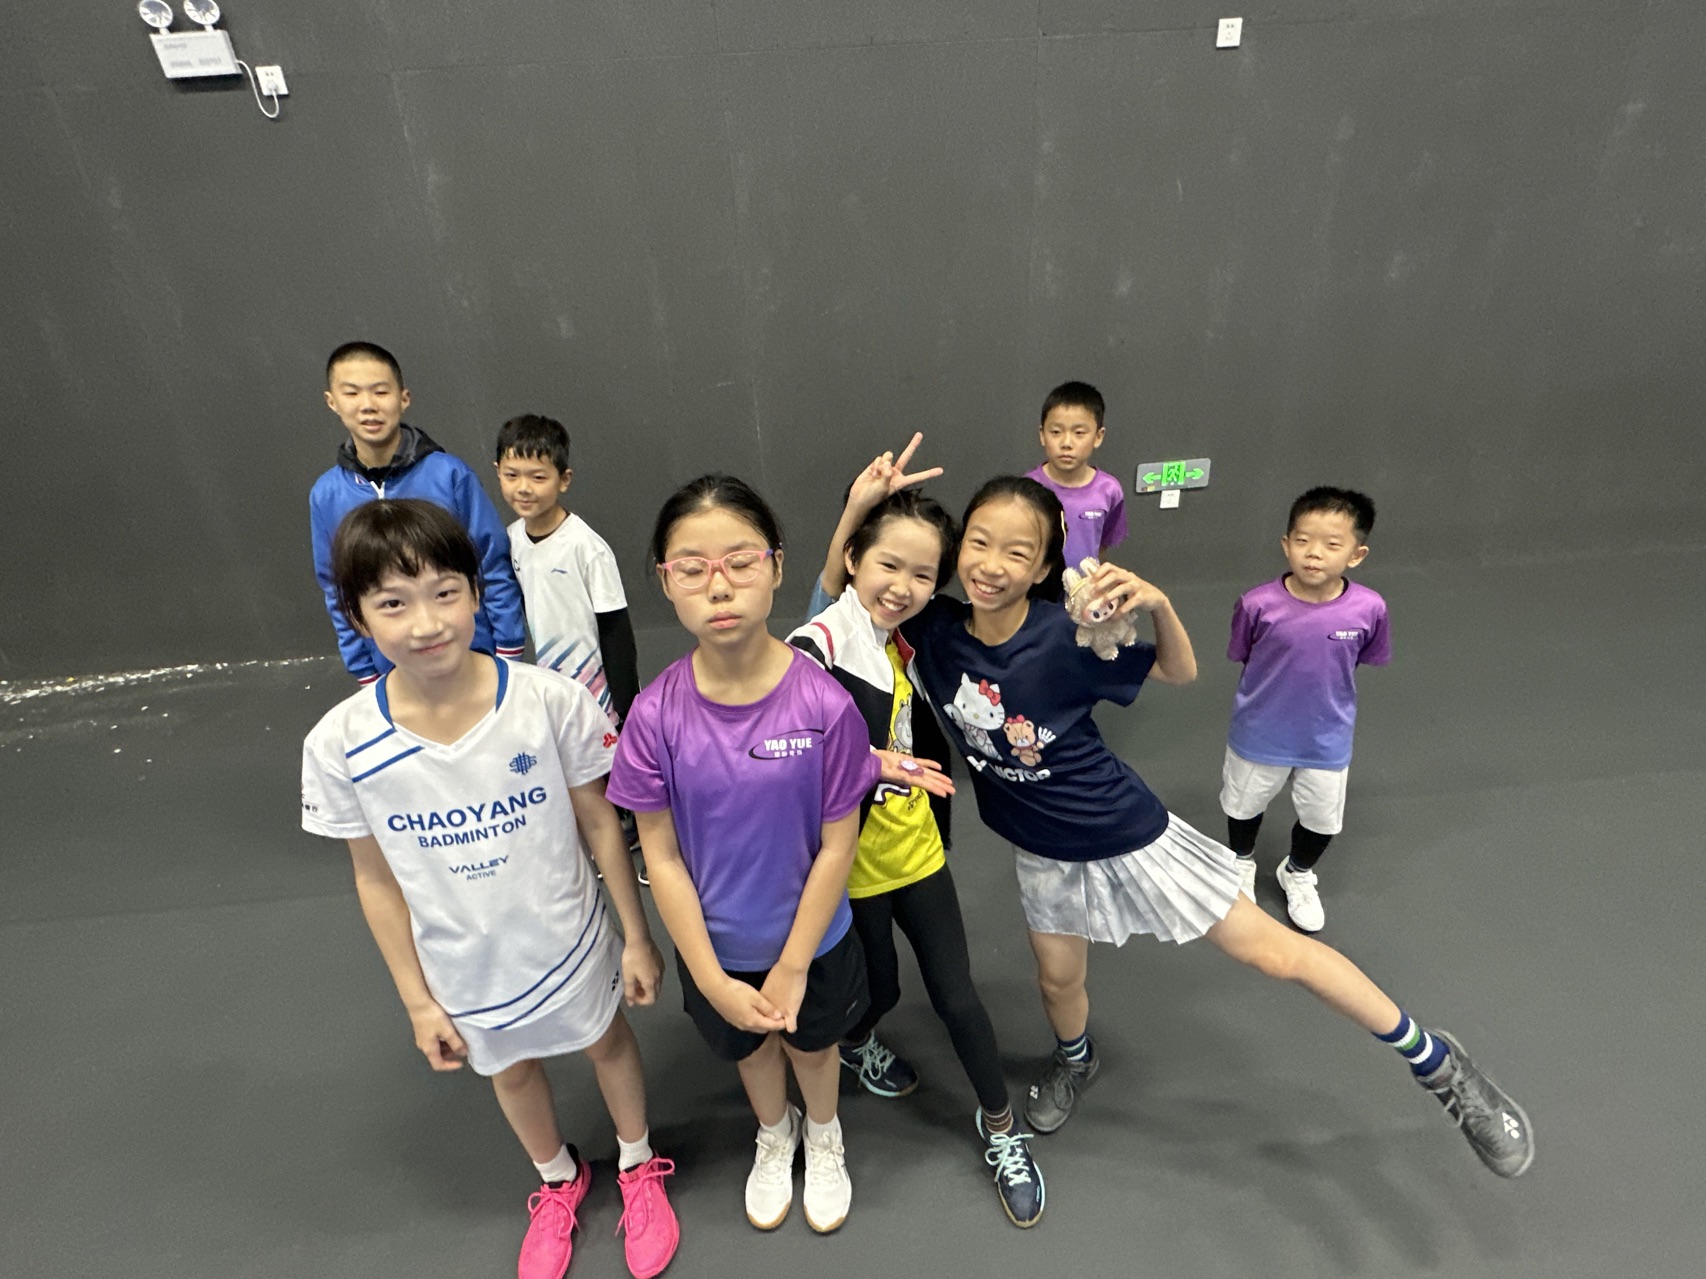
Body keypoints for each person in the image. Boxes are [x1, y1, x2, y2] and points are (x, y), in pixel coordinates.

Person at [845, 453, 1530, 1181]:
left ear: (1044, 565)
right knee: (1056, 982)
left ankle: (1437, 1062)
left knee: (1273, 951)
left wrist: (1160, 605)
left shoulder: (1063, 639)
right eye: (980, 543)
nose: (992, 564)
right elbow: (844, 587)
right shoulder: (935, 628)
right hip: (1040, 847)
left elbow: (1180, 671)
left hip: (1126, 832)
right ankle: (1076, 1059)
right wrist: (860, 509)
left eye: (1018, 552)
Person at [298, 499, 678, 1279]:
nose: (426, 622)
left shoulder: (549, 700)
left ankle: (639, 1162)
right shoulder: (339, 744)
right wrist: (417, 1000)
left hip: (569, 937)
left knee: (606, 1041)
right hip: (463, 963)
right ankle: (558, 1179)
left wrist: (637, 935)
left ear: (477, 591)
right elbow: (373, 877)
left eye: (444, 592)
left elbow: (602, 823)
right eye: (392, 603)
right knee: (511, 1070)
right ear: (357, 616)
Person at [606, 475, 931, 1235]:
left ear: (777, 566)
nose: (719, 586)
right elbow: (662, 857)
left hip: (814, 942)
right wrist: (711, 976)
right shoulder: (654, 716)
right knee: (752, 1051)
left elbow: (838, 845)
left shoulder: (824, 704)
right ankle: (774, 1134)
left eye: (740, 561)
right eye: (692, 568)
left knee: (814, 1049)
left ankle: (824, 1135)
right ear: (666, 581)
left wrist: (791, 964)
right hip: (717, 948)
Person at [795, 458, 1045, 1229]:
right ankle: (858, 1041)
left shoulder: (904, 639)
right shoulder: (827, 636)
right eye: (887, 564)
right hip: (853, 868)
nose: (902, 585)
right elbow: (792, 722)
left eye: (922, 573)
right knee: (877, 993)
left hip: (918, 852)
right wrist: (874, 762)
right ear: (853, 561)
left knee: (956, 996)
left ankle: (1000, 1127)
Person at [1221, 487, 1390, 931]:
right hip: (1259, 732)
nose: (1314, 553)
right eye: (1302, 540)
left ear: (1357, 554)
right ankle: (1240, 862)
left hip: (1326, 737)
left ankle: (1296, 872)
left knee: (1322, 820)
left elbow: (1362, 657)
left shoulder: (1370, 609)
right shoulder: (1256, 604)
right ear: (1286, 544)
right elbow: (1242, 653)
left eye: (1332, 544)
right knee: (1242, 806)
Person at [310, 341, 525, 684]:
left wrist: (509, 648)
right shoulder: (326, 495)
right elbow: (338, 589)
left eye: (380, 391)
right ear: (332, 401)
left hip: (472, 655)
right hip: (391, 669)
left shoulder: (449, 475)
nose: (368, 405)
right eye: (352, 393)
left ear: (404, 398)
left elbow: (491, 562)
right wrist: (364, 670)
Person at [494, 414, 639, 728]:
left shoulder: (586, 547)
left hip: (600, 699)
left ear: (564, 479)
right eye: (512, 475)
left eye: (538, 477)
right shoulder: (510, 540)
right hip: (552, 693)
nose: (523, 488)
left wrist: (628, 710)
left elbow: (616, 632)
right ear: (498, 473)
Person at [1025, 380, 1127, 569]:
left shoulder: (1110, 490)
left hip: (1085, 585)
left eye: (1079, 433)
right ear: (1042, 434)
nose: (1066, 443)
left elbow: (1103, 543)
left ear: (1098, 436)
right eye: (1056, 432)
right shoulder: (1027, 489)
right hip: (1037, 585)